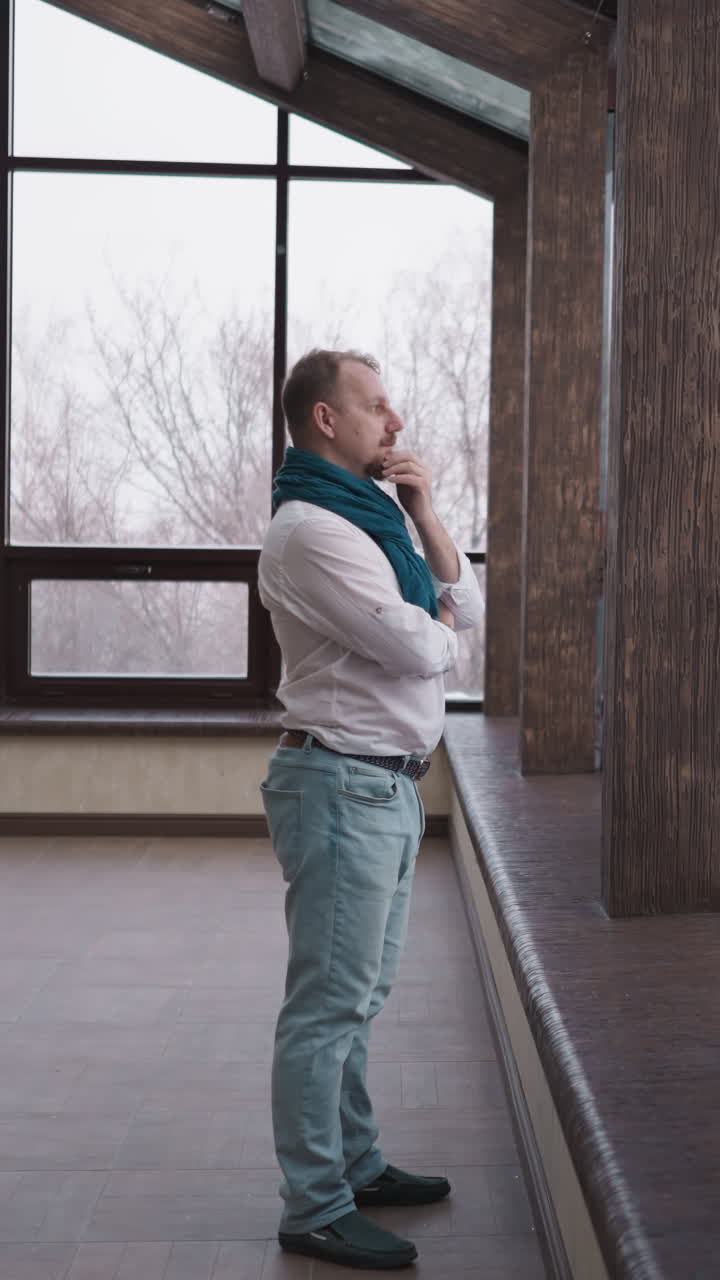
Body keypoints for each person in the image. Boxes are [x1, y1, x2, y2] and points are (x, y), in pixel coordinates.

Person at [258, 348, 484, 1270]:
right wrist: (435, 626)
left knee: (357, 999)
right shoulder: (314, 530)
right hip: (343, 784)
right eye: (378, 407)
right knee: (326, 1007)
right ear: (326, 419)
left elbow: (467, 611)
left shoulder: (380, 521)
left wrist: (428, 515)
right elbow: (423, 652)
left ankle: (356, 1163)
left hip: (381, 781)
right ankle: (314, 1205)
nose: (395, 425)